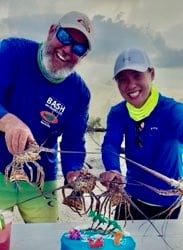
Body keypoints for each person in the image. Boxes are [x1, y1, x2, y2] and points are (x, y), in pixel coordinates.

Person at [0, 11, 93, 223]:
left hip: (42, 178)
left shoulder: (80, 93)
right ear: (52, 31)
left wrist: (73, 172)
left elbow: (73, 143)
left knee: (46, 241)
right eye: (65, 37)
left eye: (78, 48)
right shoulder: (12, 52)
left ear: (82, 57)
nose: (68, 49)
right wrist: (9, 121)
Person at [100, 48, 183, 220]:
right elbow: (111, 144)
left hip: (168, 202)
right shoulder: (118, 113)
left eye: (137, 75)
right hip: (130, 196)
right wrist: (113, 169)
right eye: (122, 79)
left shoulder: (173, 110)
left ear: (151, 74)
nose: (130, 85)